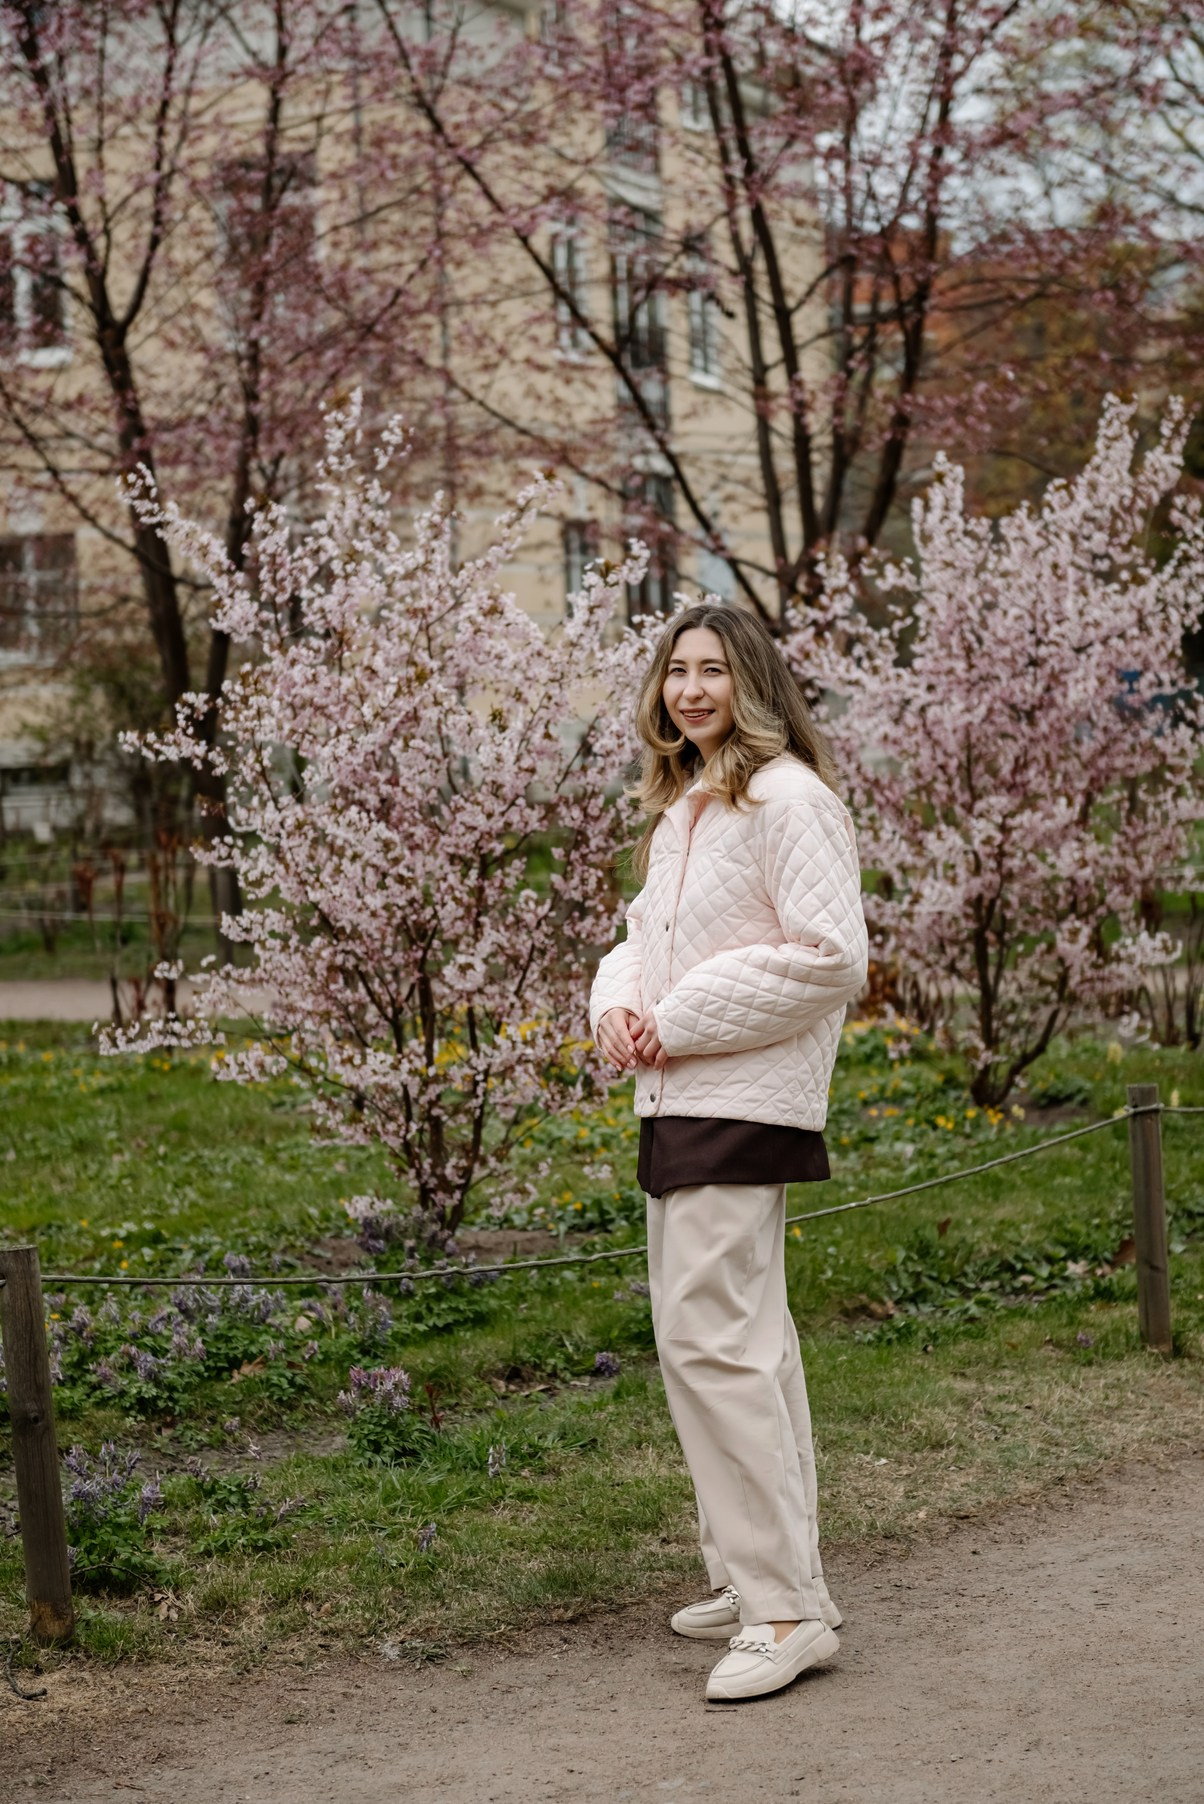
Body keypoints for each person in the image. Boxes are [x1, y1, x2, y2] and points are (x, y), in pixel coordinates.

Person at [589, 602, 868, 1703]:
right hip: (683, 1093)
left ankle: (785, 1609)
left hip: (739, 1097)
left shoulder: (788, 797)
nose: (691, 689)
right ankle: (765, 1576)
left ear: (754, 681)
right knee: (739, 1340)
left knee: (712, 1341)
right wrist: (617, 1004)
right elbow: (640, 936)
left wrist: (684, 1015)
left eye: (713, 671)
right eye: (677, 672)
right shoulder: (687, 807)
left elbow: (831, 955)